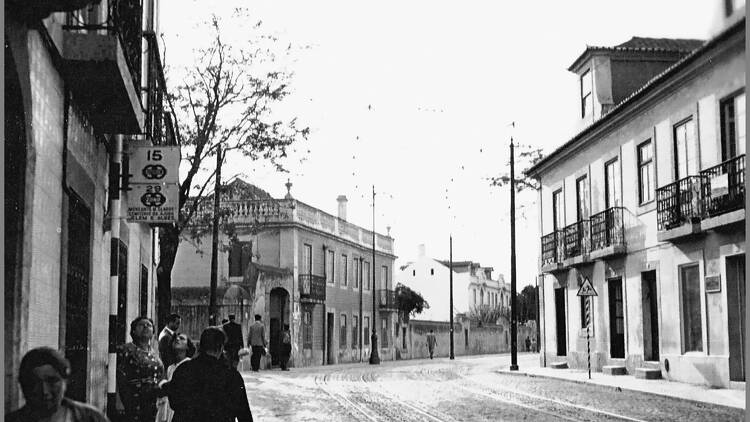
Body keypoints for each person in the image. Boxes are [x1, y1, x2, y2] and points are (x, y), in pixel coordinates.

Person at [162, 327, 253, 422]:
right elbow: (244, 414)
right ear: (221, 348)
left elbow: (174, 403)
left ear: (200, 346)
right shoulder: (232, 376)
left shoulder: (184, 369)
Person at [6, 347, 109, 422]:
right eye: (34, 383)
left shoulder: (91, 418)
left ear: (65, 381)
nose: (44, 391)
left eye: (52, 381)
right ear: (22, 385)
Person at [117, 316, 165, 422]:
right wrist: (120, 405)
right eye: (141, 325)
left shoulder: (155, 353)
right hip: (131, 403)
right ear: (133, 331)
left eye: (149, 325)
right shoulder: (125, 350)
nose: (145, 327)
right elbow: (119, 378)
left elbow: (160, 376)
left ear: (153, 333)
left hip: (151, 404)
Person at [155, 333, 195, 422]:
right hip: (168, 407)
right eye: (175, 338)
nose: (177, 339)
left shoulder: (190, 365)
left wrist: (163, 384)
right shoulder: (170, 367)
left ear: (188, 346)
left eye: (182, 338)